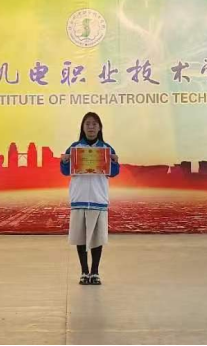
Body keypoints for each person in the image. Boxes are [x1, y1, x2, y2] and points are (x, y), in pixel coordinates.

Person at [60, 112, 120, 285]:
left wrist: (115, 162)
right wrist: (64, 161)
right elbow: (65, 171)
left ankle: (95, 272)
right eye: (88, 124)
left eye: (94, 124)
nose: (91, 127)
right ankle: (84, 272)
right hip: (79, 198)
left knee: (96, 238)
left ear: (100, 127)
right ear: (83, 127)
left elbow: (114, 173)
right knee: (80, 237)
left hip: (98, 198)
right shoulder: (74, 148)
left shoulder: (106, 149)